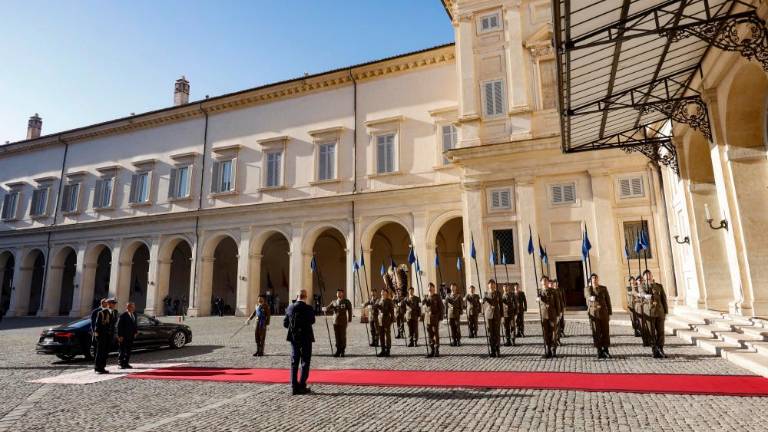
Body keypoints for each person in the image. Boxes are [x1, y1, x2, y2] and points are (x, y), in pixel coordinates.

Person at [283, 289, 316, 395]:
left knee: (294, 362)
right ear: (305, 297)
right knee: (305, 362)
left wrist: (294, 328)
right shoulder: (308, 308)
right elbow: (312, 321)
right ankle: (302, 385)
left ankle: (293, 386)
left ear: (297, 296)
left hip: (294, 338)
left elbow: (285, 323)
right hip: (306, 337)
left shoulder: (290, 307)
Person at [643, 270, 668, 359]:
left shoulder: (659, 286)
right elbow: (640, 293)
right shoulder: (642, 287)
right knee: (651, 332)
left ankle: (661, 349)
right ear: (644, 277)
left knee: (661, 332)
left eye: (649, 274)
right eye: (646, 275)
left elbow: (664, 299)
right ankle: (654, 349)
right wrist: (644, 295)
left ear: (652, 276)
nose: (648, 276)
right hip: (649, 313)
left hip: (660, 312)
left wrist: (665, 312)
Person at [586, 273, 612, 359]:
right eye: (593, 278)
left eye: (596, 278)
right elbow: (587, 295)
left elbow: (608, 300)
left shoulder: (603, 288)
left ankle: (606, 350)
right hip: (594, 314)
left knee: (605, 332)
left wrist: (610, 313)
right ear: (591, 280)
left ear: (598, 279)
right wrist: (590, 297)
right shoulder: (588, 289)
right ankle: (599, 350)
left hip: (604, 313)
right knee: (596, 332)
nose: (594, 280)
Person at [537, 276, 563, 358]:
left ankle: (553, 350)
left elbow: (557, 303)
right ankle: (547, 350)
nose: (544, 282)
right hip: (544, 316)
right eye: (543, 280)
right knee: (545, 333)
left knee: (553, 333)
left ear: (548, 282)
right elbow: (539, 303)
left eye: (546, 280)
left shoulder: (553, 291)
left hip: (552, 315)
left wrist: (558, 314)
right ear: (541, 282)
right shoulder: (539, 292)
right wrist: (538, 299)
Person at [322, 289, 352, 357]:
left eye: (340, 293)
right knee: (337, 336)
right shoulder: (334, 302)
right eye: (337, 293)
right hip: (335, 321)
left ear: (342, 294)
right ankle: (338, 350)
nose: (338, 294)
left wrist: (350, 319)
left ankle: (342, 350)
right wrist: (324, 309)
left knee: (342, 336)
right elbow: (328, 308)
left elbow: (350, 310)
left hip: (343, 321)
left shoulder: (346, 301)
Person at [93, 298, 117, 374]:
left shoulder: (114, 312)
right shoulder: (102, 313)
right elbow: (97, 325)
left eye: (114, 303)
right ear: (108, 304)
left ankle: (102, 367)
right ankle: (97, 368)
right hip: (102, 336)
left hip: (109, 336)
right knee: (100, 352)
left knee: (106, 352)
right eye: (112, 303)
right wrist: (97, 336)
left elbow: (113, 325)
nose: (113, 305)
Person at [482, 279, 502, 357]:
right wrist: (481, 301)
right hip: (488, 315)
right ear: (488, 285)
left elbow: (501, 304)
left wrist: (501, 315)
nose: (492, 286)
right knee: (490, 333)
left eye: (493, 284)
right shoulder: (486, 294)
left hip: (497, 315)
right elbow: (483, 302)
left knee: (497, 333)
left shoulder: (498, 293)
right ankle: (492, 350)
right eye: (490, 284)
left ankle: (497, 350)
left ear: (495, 285)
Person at [423, 282, 443, 358]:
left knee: (435, 333)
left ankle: (436, 349)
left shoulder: (437, 297)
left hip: (435, 317)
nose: (430, 289)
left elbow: (441, 307)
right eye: (429, 287)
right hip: (428, 318)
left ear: (434, 288)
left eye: (431, 287)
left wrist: (440, 317)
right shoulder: (426, 297)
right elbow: (423, 306)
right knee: (429, 334)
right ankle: (431, 350)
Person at [117, 302, 138, 369]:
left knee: (128, 350)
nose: (133, 308)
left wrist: (135, 332)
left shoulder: (134, 314)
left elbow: (135, 324)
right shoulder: (123, 315)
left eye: (134, 307)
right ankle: (120, 363)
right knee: (122, 350)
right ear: (128, 307)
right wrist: (120, 336)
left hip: (131, 336)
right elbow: (119, 326)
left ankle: (126, 363)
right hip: (124, 336)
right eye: (132, 307)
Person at [375, 289, 395, 357]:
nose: (382, 293)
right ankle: (382, 350)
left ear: (386, 293)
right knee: (381, 336)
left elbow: (389, 311)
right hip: (380, 320)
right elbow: (375, 309)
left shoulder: (389, 301)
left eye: (384, 292)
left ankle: (388, 350)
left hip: (386, 320)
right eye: (382, 292)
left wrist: (392, 319)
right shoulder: (378, 300)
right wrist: (374, 307)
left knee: (387, 336)